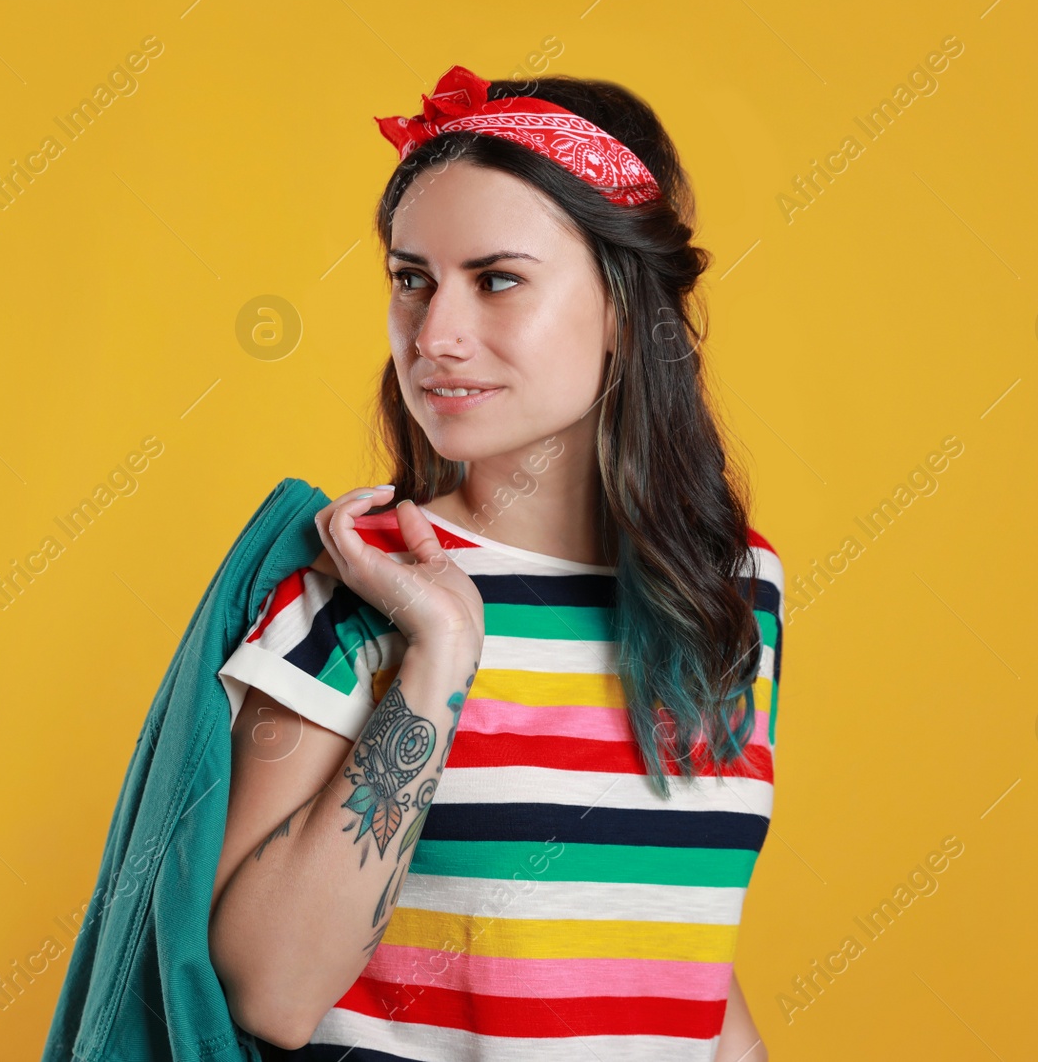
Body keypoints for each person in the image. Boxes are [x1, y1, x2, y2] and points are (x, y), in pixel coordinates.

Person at [207, 64, 786, 1061]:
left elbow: (670, 946)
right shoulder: (358, 584)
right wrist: (437, 653)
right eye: (411, 279)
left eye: (497, 278)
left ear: (622, 303)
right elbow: (271, 990)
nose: (433, 335)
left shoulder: (734, 589)